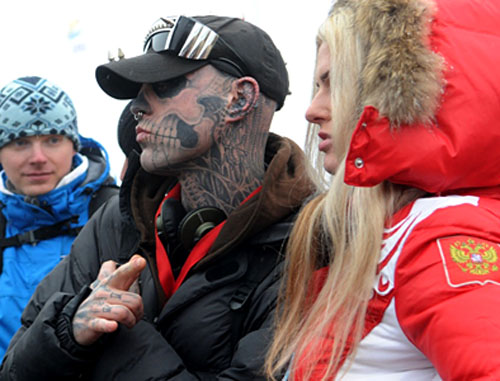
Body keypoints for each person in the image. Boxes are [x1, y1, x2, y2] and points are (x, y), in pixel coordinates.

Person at [0, 16, 316, 380]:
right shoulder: (116, 222)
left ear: (240, 98)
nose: (137, 105)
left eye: (165, 84)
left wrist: (116, 330)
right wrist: (69, 330)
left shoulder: (309, 241)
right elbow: (12, 372)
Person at [266, 0, 500, 379]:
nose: (312, 109)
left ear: (387, 97)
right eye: (316, 86)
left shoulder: (440, 239)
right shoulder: (378, 235)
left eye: (332, 84)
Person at [0, 76, 118, 358]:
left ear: (74, 145)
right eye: (20, 142)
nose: (38, 157)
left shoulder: (114, 214)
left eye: (53, 139)